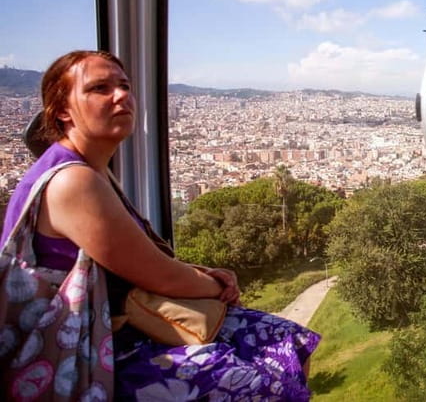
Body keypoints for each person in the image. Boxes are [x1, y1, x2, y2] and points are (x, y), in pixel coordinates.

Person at [1, 51, 320, 400]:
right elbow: (159, 277)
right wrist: (217, 285)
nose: (121, 95)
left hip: (107, 327)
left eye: (124, 86)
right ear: (62, 110)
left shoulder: (89, 169)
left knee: (289, 338)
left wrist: (204, 273)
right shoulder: (73, 181)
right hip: (82, 352)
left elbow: (135, 259)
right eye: (99, 88)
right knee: (267, 377)